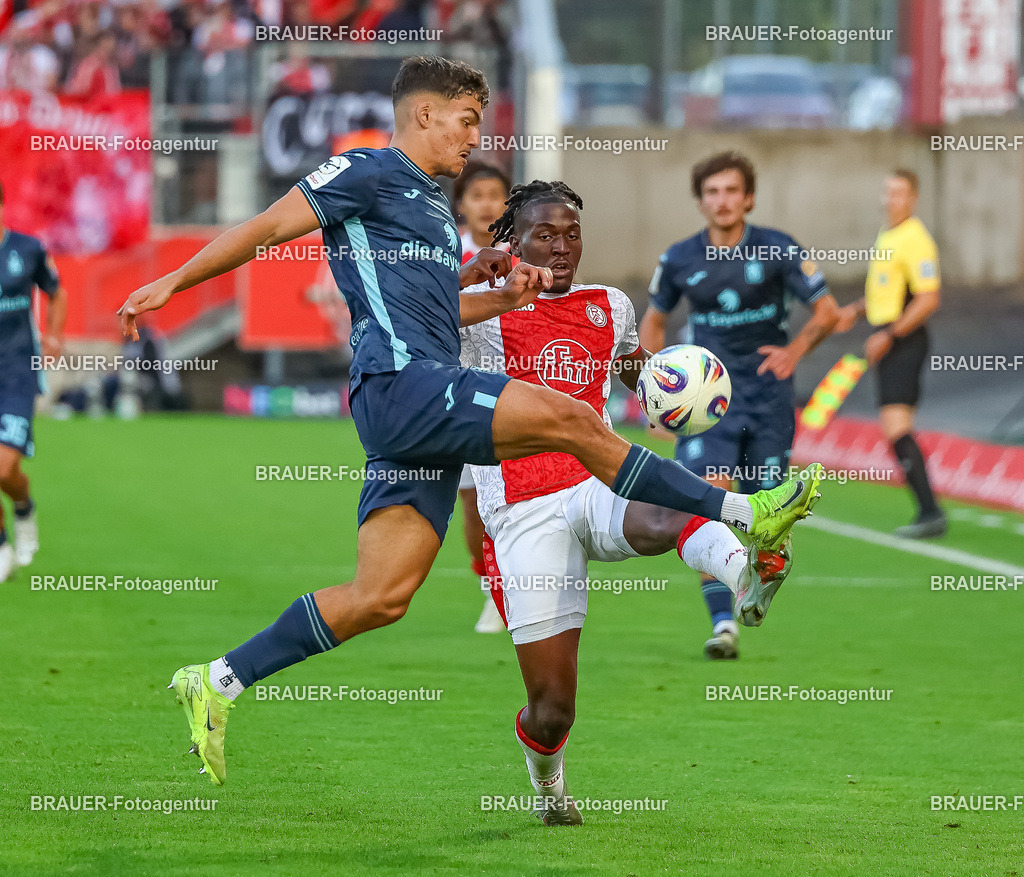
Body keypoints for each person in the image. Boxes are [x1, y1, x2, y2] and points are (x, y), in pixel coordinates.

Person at [117, 56, 823, 788]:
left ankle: (218, 680)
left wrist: (495, 288)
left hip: (415, 407)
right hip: (402, 385)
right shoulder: (366, 170)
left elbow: (432, 307)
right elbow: (268, 227)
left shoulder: (429, 204)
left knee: (381, 596)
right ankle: (746, 512)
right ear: (424, 114)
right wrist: (172, 281)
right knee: (571, 418)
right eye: (466, 120)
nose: (475, 137)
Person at [461, 180, 794, 825]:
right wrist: (475, 279)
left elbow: (634, 370)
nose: (562, 247)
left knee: (668, 506)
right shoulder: (482, 313)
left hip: (596, 479)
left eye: (572, 234)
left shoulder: (608, 305)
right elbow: (409, 319)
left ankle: (746, 573)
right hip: (523, 508)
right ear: (514, 244)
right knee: (552, 710)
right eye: (544, 235)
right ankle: (549, 787)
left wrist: (674, 386)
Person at [639, 151, 839, 661]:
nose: (722, 200)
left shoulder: (778, 249)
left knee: (765, 517)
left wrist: (795, 351)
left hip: (769, 398)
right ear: (700, 201)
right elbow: (653, 323)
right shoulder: (680, 258)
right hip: (706, 404)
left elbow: (827, 312)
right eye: (712, 192)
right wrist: (655, 396)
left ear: (748, 198)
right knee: (707, 501)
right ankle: (724, 623)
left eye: (731, 190)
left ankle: (756, 583)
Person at [834, 169, 944, 538]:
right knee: (894, 426)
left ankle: (930, 511)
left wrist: (889, 335)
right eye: (887, 191)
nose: (890, 199)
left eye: (898, 193)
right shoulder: (888, 234)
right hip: (887, 335)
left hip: (905, 340)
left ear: (913, 198)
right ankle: (928, 510)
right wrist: (856, 310)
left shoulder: (916, 239)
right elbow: (886, 291)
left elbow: (927, 299)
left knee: (897, 426)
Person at [452, 160, 513, 632]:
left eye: (496, 195)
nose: (487, 204)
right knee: (473, 505)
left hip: (514, 392)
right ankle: (488, 584)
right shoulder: (446, 252)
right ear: (461, 205)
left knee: (514, 500)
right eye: (477, 195)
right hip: (459, 392)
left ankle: (515, 592)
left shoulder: (525, 254)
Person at [0, 181, 68, 581]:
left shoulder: (27, 249)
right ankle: (2, 544)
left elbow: (56, 293)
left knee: (4, 467)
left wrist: (54, 337)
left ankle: (23, 506)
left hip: (17, 372)